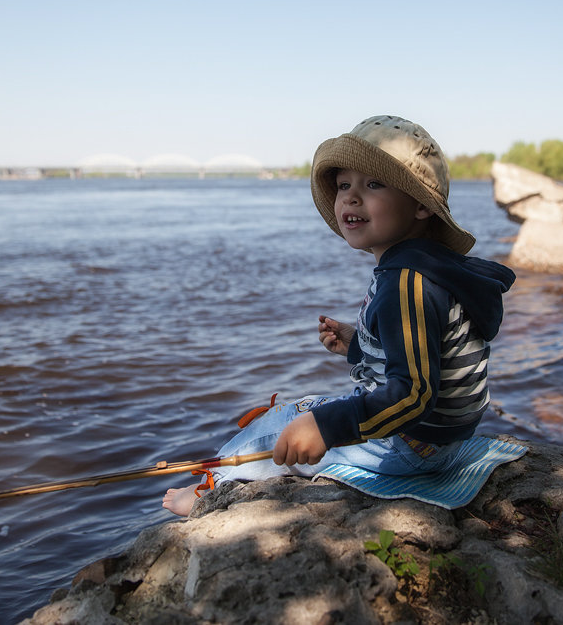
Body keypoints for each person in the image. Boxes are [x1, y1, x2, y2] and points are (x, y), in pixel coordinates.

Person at [163, 115, 515, 516]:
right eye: (345, 185)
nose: (350, 197)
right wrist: (358, 344)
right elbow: (422, 353)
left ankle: (213, 489)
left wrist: (327, 428)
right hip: (443, 441)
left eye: (374, 184)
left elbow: (414, 394)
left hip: (411, 446)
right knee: (307, 409)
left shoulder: (407, 283)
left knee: (278, 425)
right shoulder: (430, 269)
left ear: (420, 206)